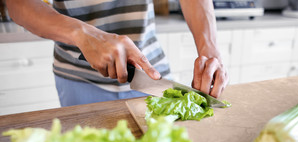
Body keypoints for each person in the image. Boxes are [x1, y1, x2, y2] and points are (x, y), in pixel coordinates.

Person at [5, 0, 228, 106]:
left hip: (150, 77)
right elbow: (18, 4)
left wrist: (209, 47)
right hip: (78, 82)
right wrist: (83, 34)